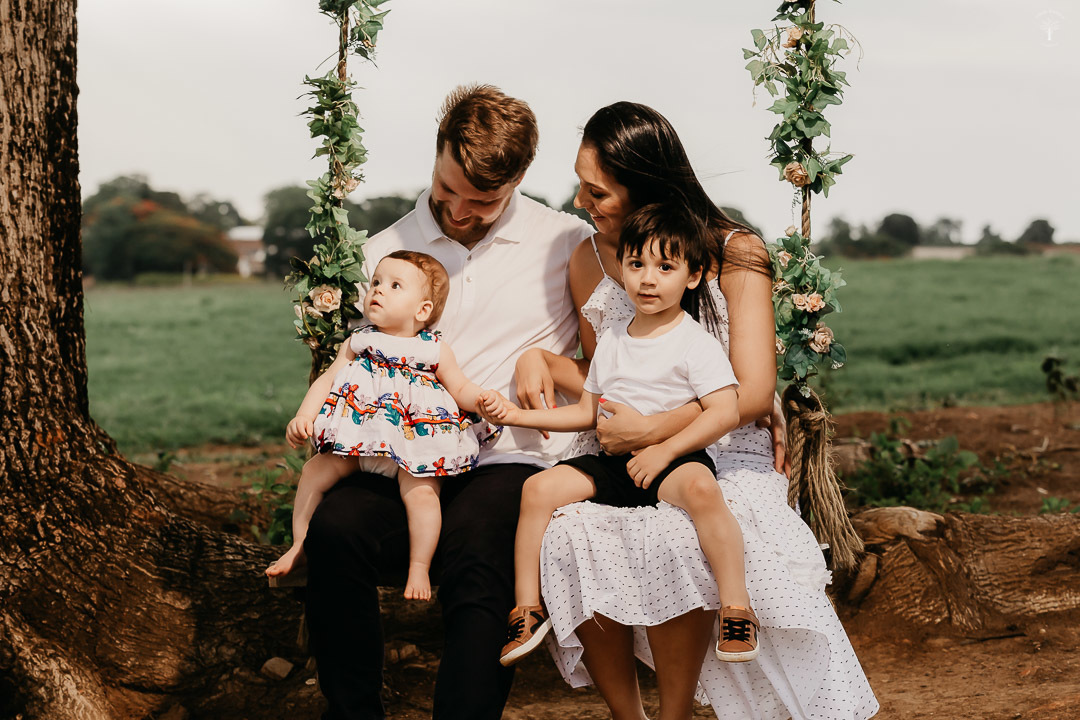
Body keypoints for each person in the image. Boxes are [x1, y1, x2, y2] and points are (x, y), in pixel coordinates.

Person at [516, 102, 878, 719]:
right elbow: (614, 375)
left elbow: (752, 393)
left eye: (597, 190)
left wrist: (655, 431)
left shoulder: (735, 253)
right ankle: (628, 714)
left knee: (673, 534)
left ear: (645, 187)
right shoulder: (589, 259)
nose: (581, 201)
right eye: (581, 184)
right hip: (621, 440)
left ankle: (678, 710)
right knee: (570, 533)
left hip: (719, 441)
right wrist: (542, 361)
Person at [300, 84, 594, 720]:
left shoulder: (567, 241)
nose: (459, 211)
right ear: (435, 157)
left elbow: (613, 361)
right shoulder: (384, 251)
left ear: (519, 179)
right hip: (401, 455)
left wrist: (543, 361)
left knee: (477, 555)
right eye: (447, 188)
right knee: (336, 530)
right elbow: (360, 358)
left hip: (509, 456)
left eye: (483, 200)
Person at [484, 204, 759, 669]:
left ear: (692, 277)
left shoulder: (695, 343)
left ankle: (736, 607)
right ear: (622, 270)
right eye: (637, 265)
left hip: (676, 458)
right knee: (537, 489)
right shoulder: (612, 338)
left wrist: (667, 450)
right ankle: (526, 609)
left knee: (701, 489)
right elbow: (590, 412)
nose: (648, 279)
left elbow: (725, 410)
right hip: (615, 459)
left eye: (665, 267)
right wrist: (517, 415)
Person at [266, 251, 499, 602]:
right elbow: (326, 382)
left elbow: (461, 388)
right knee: (315, 470)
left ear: (422, 311)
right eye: (376, 282)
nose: (378, 290)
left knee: (422, 495)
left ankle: (419, 566)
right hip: (360, 444)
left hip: (413, 448)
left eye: (394, 285)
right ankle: (301, 544)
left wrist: (482, 399)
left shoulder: (433, 349)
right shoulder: (358, 341)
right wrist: (304, 416)